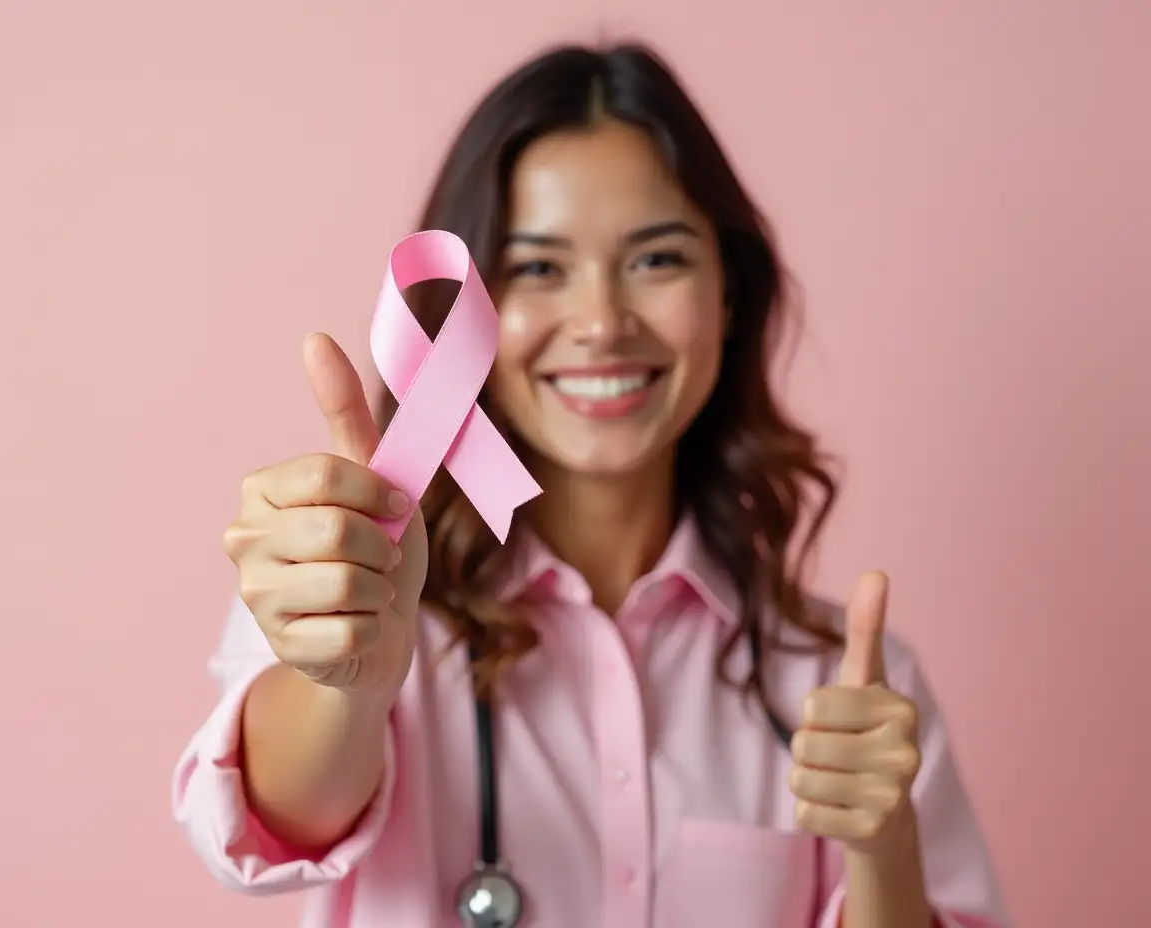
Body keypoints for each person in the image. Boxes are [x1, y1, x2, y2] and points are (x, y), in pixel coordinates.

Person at [172, 42, 1009, 928]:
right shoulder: (348, 597)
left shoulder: (846, 685)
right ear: (465, 315)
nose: (603, 323)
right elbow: (276, 822)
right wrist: (352, 686)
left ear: (730, 293)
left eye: (656, 260)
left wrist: (884, 852)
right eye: (538, 268)